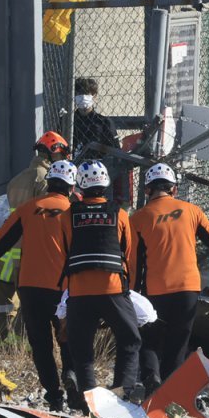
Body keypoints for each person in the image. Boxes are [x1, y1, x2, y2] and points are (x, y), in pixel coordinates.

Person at [0, 160, 80, 411]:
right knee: (68, 339)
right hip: (63, 289)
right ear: (71, 186)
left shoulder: (28, 209)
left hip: (29, 288)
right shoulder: (74, 211)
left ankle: (54, 396)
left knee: (40, 345)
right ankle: (72, 376)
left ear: (48, 183)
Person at [131, 163, 209, 393]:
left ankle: (152, 381)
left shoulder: (139, 218)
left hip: (156, 291)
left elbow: (135, 262)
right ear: (174, 189)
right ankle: (169, 394)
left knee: (150, 342)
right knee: (177, 345)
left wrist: (134, 292)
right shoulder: (192, 211)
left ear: (147, 191)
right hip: (188, 290)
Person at [60, 160, 142, 402]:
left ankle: (88, 402)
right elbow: (129, 256)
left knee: (82, 348)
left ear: (80, 187)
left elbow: (65, 251)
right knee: (129, 339)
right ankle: (123, 394)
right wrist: (130, 290)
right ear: (105, 184)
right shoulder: (120, 214)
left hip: (80, 292)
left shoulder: (68, 215)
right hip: (113, 289)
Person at [0, 130, 72, 339]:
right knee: (32, 305)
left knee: (3, 307)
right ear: (54, 152)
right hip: (32, 253)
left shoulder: (17, 180)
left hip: (9, 251)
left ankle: (2, 346)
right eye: (61, 156)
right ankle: (24, 345)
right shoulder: (45, 180)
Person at [71, 77, 119, 162]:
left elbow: (115, 151)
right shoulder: (68, 122)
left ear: (94, 96)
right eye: (79, 93)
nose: (83, 97)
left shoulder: (104, 123)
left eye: (87, 93)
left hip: (97, 169)